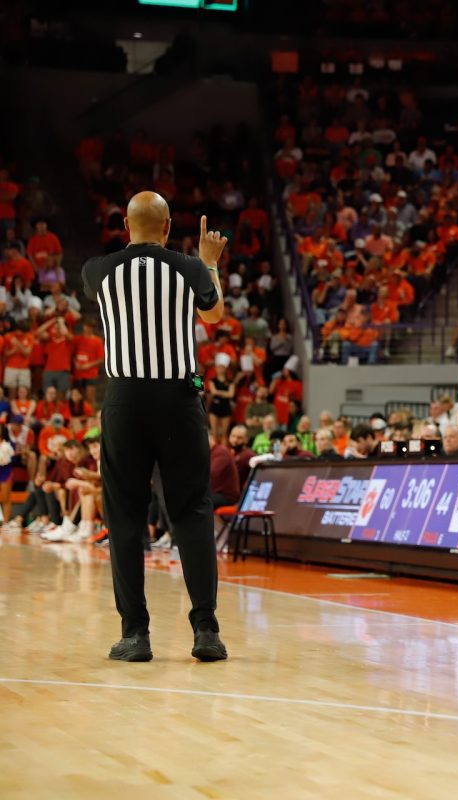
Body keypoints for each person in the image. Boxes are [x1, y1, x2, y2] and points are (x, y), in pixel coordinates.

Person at [81, 191, 229, 663]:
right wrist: (209, 263)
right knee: (192, 510)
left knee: (124, 515)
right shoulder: (188, 267)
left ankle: (135, 634)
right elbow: (214, 314)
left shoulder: (97, 271)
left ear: (126, 225)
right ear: (168, 228)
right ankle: (205, 629)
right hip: (178, 400)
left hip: (124, 400)